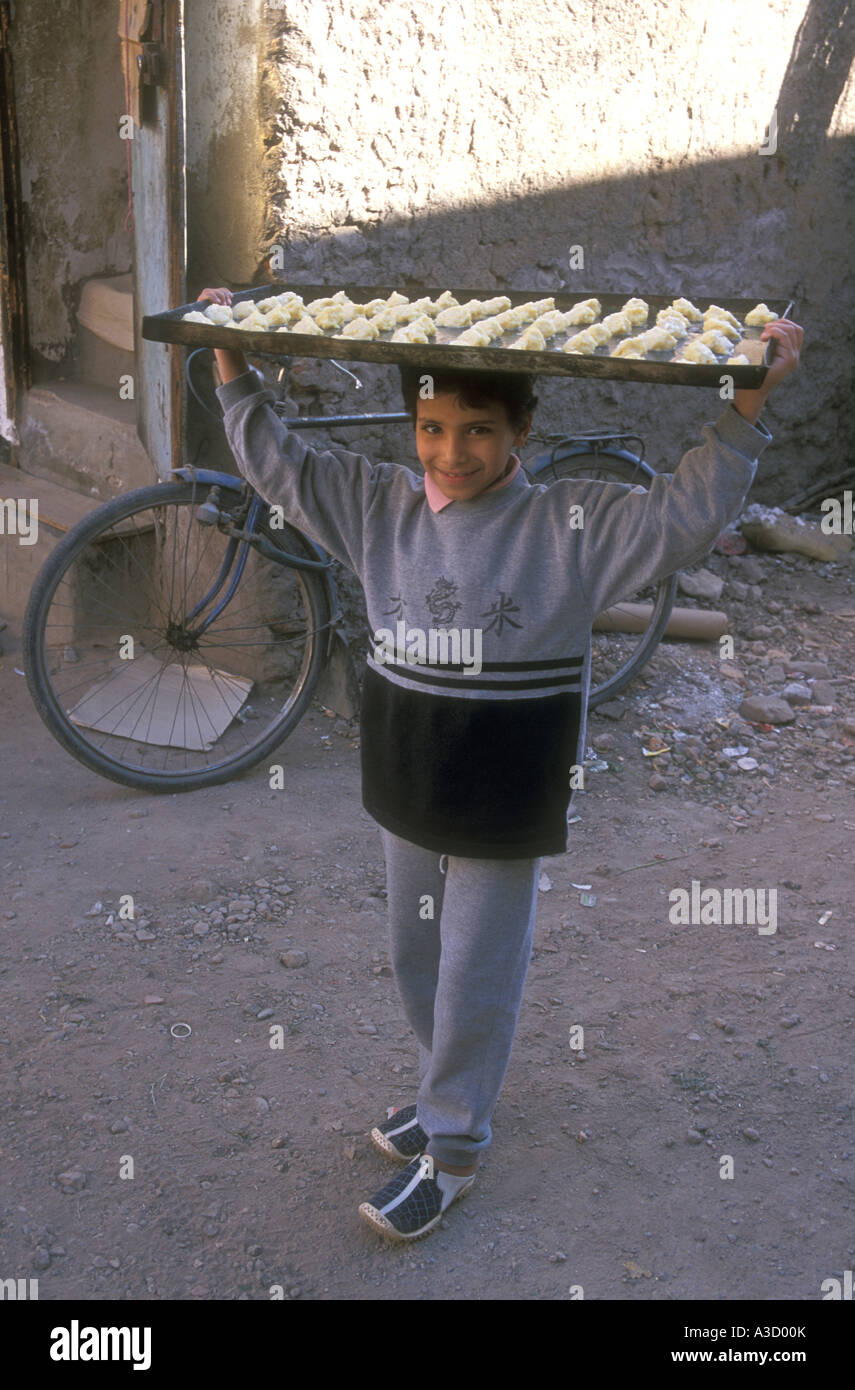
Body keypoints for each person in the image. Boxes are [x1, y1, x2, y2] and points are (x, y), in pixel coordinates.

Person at [198, 286, 802, 1240]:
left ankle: (458, 1147)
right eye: (431, 426)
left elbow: (680, 518)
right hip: (408, 780)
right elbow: (285, 470)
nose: (451, 451)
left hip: (502, 795)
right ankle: (450, 1092)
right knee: (418, 955)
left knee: (475, 966)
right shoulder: (376, 508)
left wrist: (745, 412)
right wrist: (230, 362)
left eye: (478, 428)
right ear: (411, 424)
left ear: (524, 424)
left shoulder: (573, 524)